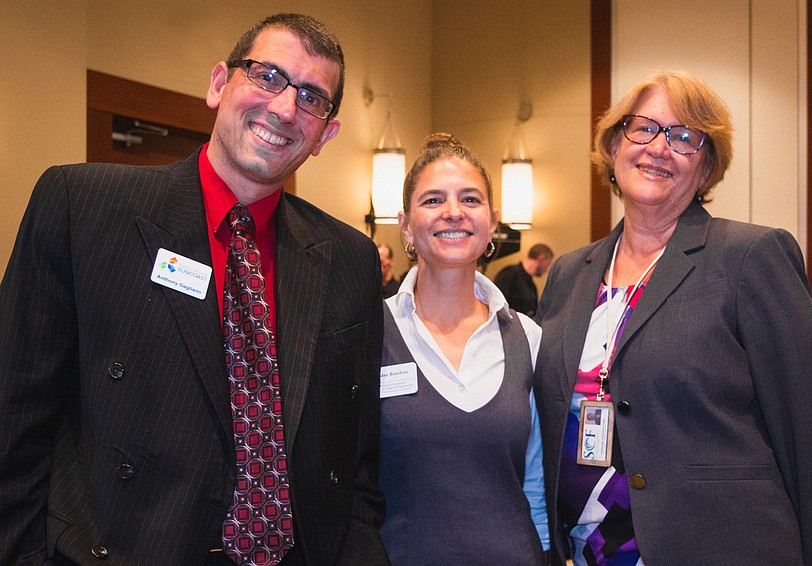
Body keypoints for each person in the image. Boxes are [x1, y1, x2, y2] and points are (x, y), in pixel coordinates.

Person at [0, 13, 388, 566]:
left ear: (325, 134)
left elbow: (355, 458)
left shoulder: (350, 258)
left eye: (311, 97)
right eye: (268, 76)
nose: (285, 108)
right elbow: (14, 419)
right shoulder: (82, 207)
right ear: (218, 84)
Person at [534, 71, 812, 565]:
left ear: (705, 167)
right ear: (614, 146)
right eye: (643, 128)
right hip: (592, 552)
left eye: (684, 137)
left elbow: (810, 436)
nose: (659, 147)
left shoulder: (750, 256)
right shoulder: (569, 273)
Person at [378, 133, 549, 565]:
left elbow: (536, 481)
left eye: (470, 199)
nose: (453, 212)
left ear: (492, 222)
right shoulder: (370, 333)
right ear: (405, 224)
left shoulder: (527, 338)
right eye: (433, 200)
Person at [493, 243, 554, 317]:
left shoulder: (531, 284)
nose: (547, 270)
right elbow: (495, 300)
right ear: (541, 258)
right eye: (547, 264)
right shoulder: (510, 273)